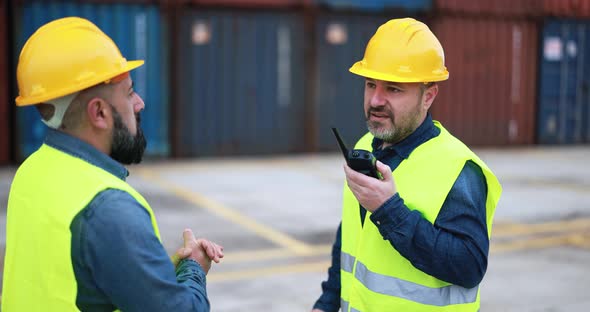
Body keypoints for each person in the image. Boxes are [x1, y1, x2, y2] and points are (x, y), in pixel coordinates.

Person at [2, 17, 223, 311]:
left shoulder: (32, 171)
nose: (140, 103)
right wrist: (193, 268)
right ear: (100, 113)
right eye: (129, 92)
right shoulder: (108, 209)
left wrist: (154, 272)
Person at [312, 18, 502, 312]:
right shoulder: (364, 147)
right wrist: (326, 303)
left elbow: (469, 267)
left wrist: (390, 212)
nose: (375, 100)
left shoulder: (457, 168)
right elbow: (352, 237)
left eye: (393, 89)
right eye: (371, 84)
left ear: (428, 96)